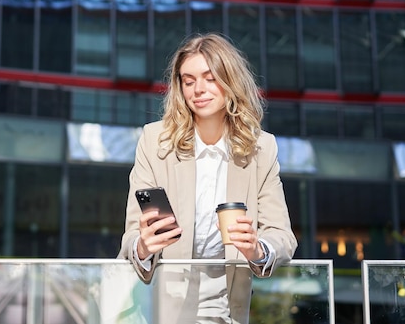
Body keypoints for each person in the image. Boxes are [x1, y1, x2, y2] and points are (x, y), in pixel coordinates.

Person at [118, 33, 298, 324]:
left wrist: (257, 249)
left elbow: (281, 236)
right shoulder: (154, 141)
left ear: (230, 80)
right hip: (159, 307)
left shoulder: (262, 149)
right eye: (188, 81)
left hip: (226, 307)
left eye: (209, 78)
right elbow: (130, 239)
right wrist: (143, 247)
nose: (198, 90)